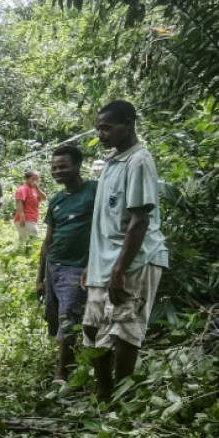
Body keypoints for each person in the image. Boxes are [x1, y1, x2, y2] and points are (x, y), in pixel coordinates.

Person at [82, 100, 169, 400]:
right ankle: (104, 393)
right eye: (98, 128)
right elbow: (104, 223)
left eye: (107, 128)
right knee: (93, 328)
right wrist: (91, 265)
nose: (101, 134)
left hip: (134, 261)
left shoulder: (139, 161)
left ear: (128, 124)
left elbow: (139, 220)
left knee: (124, 329)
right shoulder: (111, 163)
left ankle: (120, 398)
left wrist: (119, 269)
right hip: (104, 263)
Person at [36, 145, 97, 382]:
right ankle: (67, 362)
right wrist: (39, 278)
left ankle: (61, 373)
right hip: (53, 265)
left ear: (77, 166)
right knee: (55, 318)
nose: (57, 171)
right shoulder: (57, 200)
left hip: (77, 267)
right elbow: (48, 241)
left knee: (68, 319)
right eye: (53, 168)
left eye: (63, 166)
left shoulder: (94, 190)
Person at [13, 170, 46, 245]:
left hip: (32, 219)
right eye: (33, 179)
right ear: (27, 179)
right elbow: (19, 202)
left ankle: (21, 254)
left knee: (25, 242)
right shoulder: (22, 189)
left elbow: (44, 198)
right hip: (25, 219)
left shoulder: (35, 190)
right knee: (34, 239)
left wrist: (37, 188)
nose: (36, 181)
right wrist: (22, 217)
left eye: (37, 179)